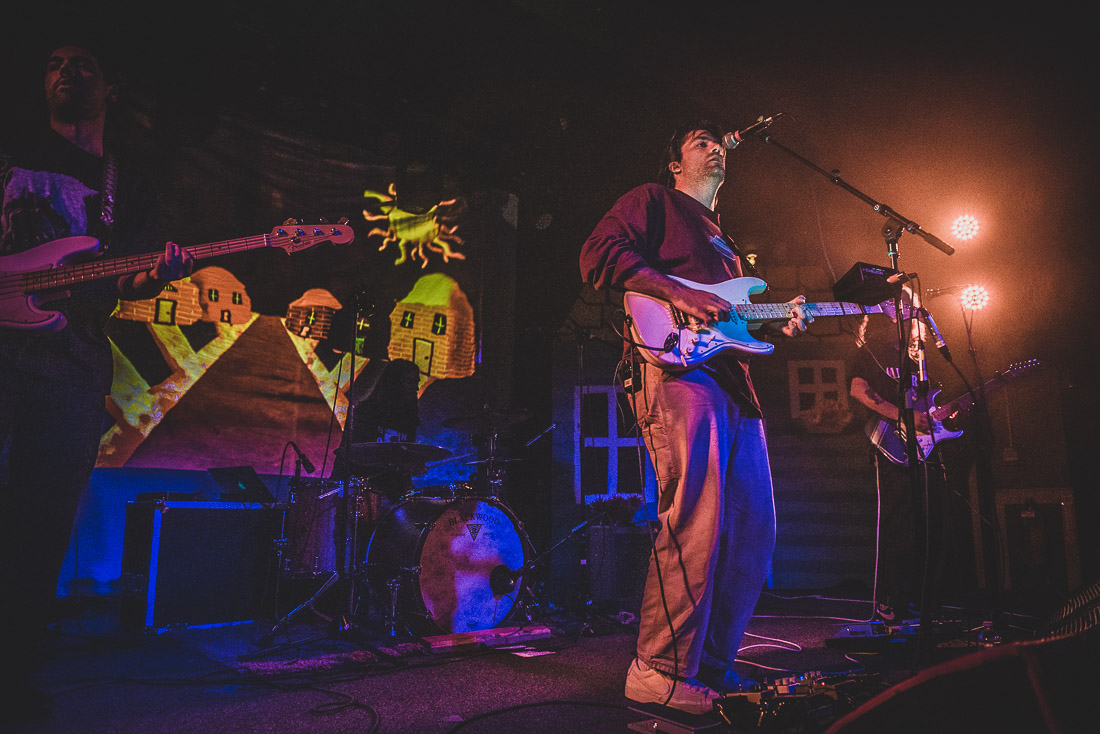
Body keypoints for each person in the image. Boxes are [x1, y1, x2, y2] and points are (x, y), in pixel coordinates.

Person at [579, 120, 812, 714]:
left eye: (716, 140)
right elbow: (599, 254)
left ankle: (708, 667)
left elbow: (727, 316)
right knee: (695, 520)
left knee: (754, 534)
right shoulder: (652, 200)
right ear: (675, 163)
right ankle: (657, 670)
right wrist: (682, 296)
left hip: (736, 388)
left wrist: (771, 320)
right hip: (681, 375)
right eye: (700, 139)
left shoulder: (724, 241)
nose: (715, 146)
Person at [0, 39, 193, 718]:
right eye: (52, 62)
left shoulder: (126, 183)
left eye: (81, 62)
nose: (65, 71)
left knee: (39, 526)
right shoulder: (13, 151)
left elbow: (131, 275)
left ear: (108, 87)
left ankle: (11, 678)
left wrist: (154, 273)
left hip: (71, 362)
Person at [847, 299, 963, 625]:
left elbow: (929, 401)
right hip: (892, 445)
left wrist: (942, 414)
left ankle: (928, 603)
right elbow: (858, 389)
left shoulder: (920, 358)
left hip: (926, 448)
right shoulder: (871, 352)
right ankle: (890, 601)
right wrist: (904, 416)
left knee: (936, 524)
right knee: (900, 526)